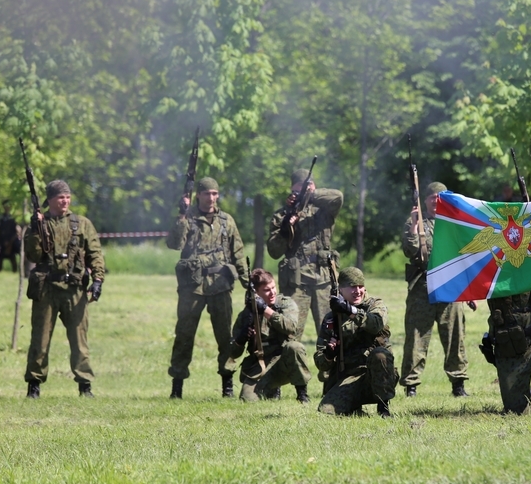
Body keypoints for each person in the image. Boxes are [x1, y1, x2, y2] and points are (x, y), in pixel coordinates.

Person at [167, 177, 249, 399]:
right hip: (191, 287)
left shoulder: (226, 221)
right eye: (206, 194)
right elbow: (174, 243)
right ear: (198, 195)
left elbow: (238, 253)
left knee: (225, 337)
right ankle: (177, 386)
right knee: (184, 335)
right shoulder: (188, 218)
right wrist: (181, 216)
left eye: (214, 193)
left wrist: (248, 282)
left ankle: (227, 384)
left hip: (220, 286)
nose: (211, 198)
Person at [23, 180, 105, 398]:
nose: (65, 201)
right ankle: (34, 385)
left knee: (79, 341)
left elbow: (95, 253)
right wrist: (34, 230)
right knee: (40, 340)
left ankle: (85, 385)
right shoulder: (39, 224)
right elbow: (33, 255)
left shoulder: (82, 224)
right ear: (50, 200)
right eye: (60, 197)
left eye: (68, 197)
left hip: (74, 289)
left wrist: (98, 280)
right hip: (47, 289)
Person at [400, 181, 470, 398]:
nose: (436, 200)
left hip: (450, 287)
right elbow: (410, 250)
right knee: (416, 336)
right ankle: (411, 385)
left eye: (441, 196)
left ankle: (458, 383)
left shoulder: (454, 224)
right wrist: (413, 225)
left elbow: (464, 257)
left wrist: (468, 290)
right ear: (426, 200)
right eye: (432, 197)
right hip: (422, 287)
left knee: (455, 336)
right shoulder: (417, 222)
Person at [267, 168, 343, 341]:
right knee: (290, 335)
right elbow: (273, 252)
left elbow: (338, 197)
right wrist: (285, 230)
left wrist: (311, 195)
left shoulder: (323, 210)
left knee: (331, 334)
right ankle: (291, 367)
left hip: (324, 280)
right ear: (293, 188)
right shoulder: (282, 215)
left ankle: (328, 369)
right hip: (296, 283)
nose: (307, 189)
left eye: (310, 185)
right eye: (301, 187)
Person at [314, 267, 398, 417]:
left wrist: (350, 311)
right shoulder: (332, 318)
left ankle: (383, 406)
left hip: (375, 375)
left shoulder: (374, 305)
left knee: (380, 355)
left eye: (360, 287)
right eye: (352, 287)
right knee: (326, 412)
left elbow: (376, 324)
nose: (358, 291)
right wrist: (328, 354)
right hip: (349, 377)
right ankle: (354, 408)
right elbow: (320, 363)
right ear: (340, 290)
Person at [228, 268, 311, 403]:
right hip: (262, 365)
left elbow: (291, 327)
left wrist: (266, 310)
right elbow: (233, 353)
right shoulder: (246, 315)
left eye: (273, 287)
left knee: (295, 347)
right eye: (267, 290)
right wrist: (241, 338)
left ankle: (302, 395)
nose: (272, 292)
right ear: (256, 294)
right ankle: (271, 390)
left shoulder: (285, 303)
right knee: (247, 400)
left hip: (284, 361)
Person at [0, 200, 21, 273]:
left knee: (12, 257)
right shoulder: (1, 218)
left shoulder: (14, 217)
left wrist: (11, 241)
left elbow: (17, 231)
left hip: (12, 241)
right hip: (3, 241)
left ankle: (16, 271)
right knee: (1, 257)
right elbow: (0, 231)